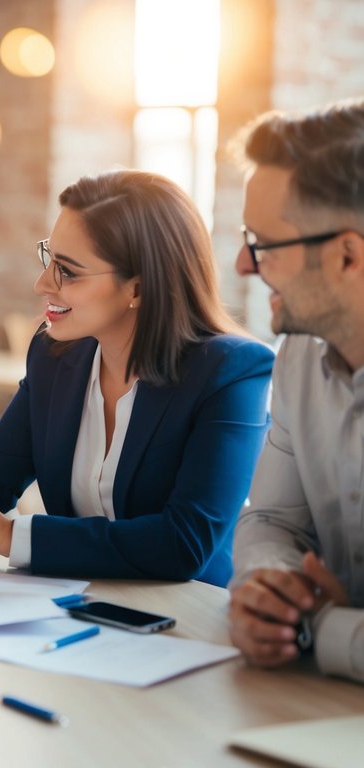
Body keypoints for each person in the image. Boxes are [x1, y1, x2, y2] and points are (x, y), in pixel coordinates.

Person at [0, 170, 273, 585]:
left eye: (68, 271)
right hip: (73, 604)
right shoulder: (56, 354)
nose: (43, 283)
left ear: (138, 287)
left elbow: (184, 542)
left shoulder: (231, 373)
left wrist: (9, 536)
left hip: (187, 621)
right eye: (49, 258)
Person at [227, 98, 364, 682]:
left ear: (347, 255)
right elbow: (272, 520)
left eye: (262, 243)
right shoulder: (299, 360)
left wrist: (324, 626)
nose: (241, 264)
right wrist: (271, 588)